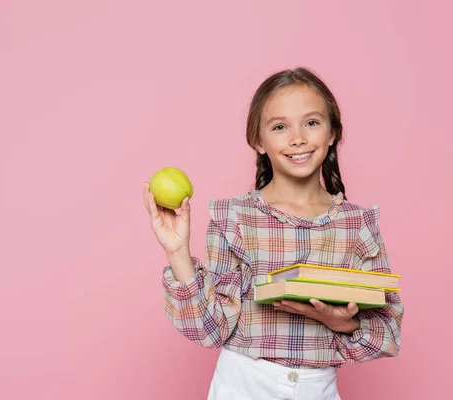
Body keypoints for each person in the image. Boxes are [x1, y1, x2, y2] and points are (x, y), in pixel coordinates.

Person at [143, 67, 403, 400]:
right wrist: (177, 251)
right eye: (280, 126)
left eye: (311, 122)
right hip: (241, 386)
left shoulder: (358, 224)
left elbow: (389, 332)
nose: (298, 138)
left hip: (318, 390)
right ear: (258, 141)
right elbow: (210, 329)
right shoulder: (234, 218)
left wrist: (342, 323)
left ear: (333, 132)